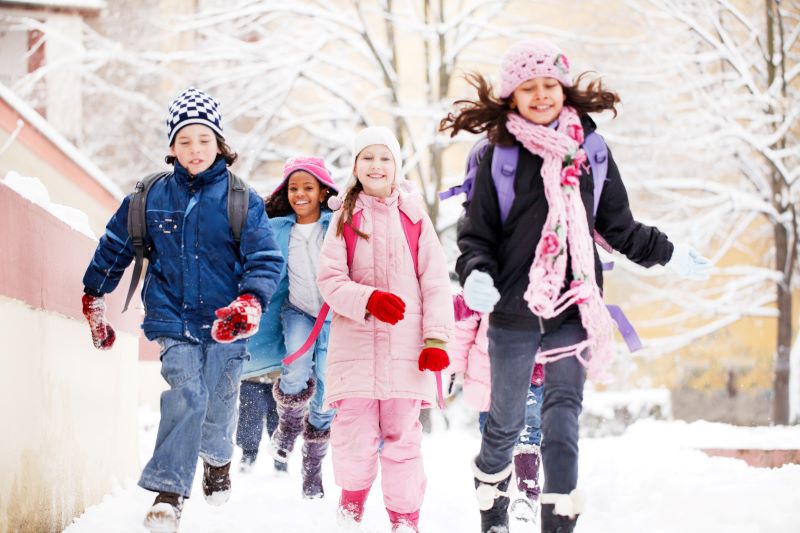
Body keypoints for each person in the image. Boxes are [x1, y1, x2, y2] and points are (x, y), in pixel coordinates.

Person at [440, 40, 712, 533]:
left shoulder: (591, 150)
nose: (541, 95)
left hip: (575, 306)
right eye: (529, 87)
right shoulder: (497, 156)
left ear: (563, 88)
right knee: (502, 426)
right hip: (514, 309)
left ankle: (558, 524)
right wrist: (476, 273)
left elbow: (618, 227)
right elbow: (476, 234)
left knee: (562, 420)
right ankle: (492, 509)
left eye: (549, 85)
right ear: (511, 95)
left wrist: (670, 253)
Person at [81, 87, 283, 533]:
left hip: (227, 324)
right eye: (185, 141)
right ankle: (169, 493)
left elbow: (266, 259)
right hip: (171, 317)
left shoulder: (240, 199)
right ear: (171, 145)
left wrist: (249, 302)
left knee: (219, 405)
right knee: (187, 397)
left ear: (220, 144)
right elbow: (116, 245)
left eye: (204, 141)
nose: (195, 150)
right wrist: (94, 292)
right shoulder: (149, 196)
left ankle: (217, 460)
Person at [316, 126, 454, 532]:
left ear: (396, 167)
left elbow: (435, 281)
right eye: (367, 158)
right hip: (355, 350)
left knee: (403, 442)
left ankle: (405, 520)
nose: (376, 165)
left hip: (406, 352)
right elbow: (330, 279)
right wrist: (368, 300)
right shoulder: (344, 217)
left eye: (385, 158)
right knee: (353, 436)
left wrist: (436, 339)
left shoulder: (414, 218)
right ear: (356, 166)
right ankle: (351, 508)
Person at [238, 156, 339, 498]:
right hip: (297, 310)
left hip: (334, 318)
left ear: (324, 191)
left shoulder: (338, 225)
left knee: (327, 387)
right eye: (293, 188)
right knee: (294, 367)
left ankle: (312, 468)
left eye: (308, 187)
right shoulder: (279, 228)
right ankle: (288, 427)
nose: (300, 194)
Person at [449, 293, 545, 524]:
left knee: (527, 430)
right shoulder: (486, 280)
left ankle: (526, 493)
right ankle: (496, 498)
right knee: (493, 435)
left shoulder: (544, 276)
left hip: (531, 369)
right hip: (489, 374)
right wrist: (457, 365)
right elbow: (464, 327)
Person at [236, 371, 279, 473]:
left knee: (278, 420)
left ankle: (280, 457)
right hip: (252, 375)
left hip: (279, 377)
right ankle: (248, 454)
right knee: (250, 417)